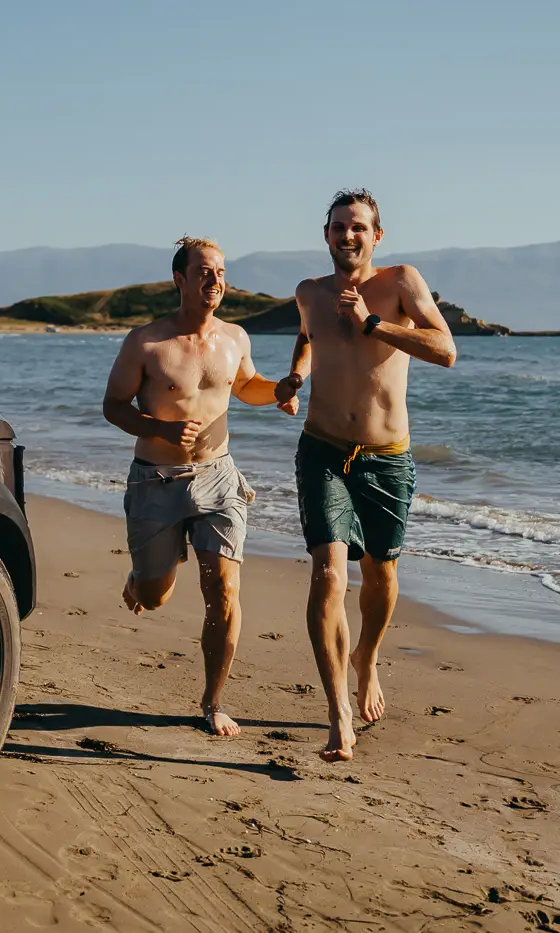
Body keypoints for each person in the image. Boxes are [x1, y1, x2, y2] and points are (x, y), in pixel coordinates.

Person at [273, 191, 455, 762]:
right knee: (328, 573)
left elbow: (445, 349)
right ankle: (338, 714)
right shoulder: (308, 293)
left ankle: (367, 660)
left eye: (358, 227)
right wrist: (294, 378)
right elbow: (306, 336)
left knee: (380, 577)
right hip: (323, 450)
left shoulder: (401, 282)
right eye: (337, 227)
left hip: (387, 458)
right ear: (325, 234)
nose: (347, 235)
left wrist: (372, 323)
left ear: (377, 236)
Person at [103, 237, 297, 737]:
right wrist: (160, 428)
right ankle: (143, 576)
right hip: (155, 481)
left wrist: (279, 391)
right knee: (155, 594)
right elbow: (113, 405)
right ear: (180, 280)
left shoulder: (235, 338)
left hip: (219, 478)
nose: (216, 281)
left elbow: (246, 385)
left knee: (224, 589)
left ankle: (213, 701)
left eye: (222, 272)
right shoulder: (146, 342)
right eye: (205, 272)